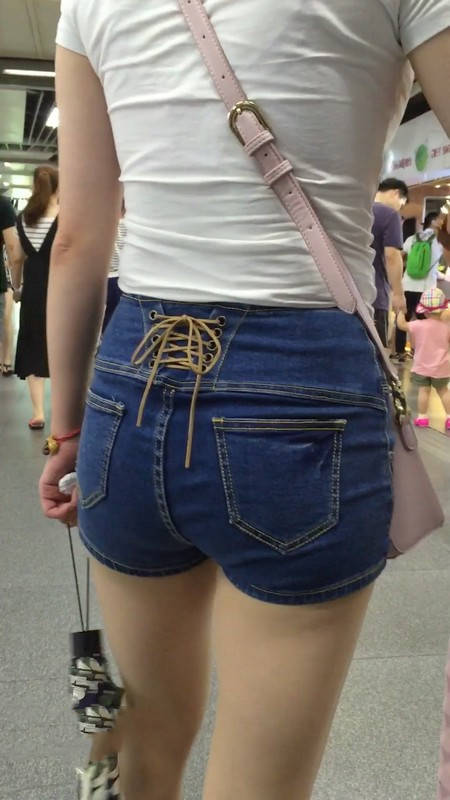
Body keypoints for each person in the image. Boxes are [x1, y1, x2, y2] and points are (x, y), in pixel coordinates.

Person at [40, 3, 450, 799]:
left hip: (132, 380)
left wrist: (66, 429)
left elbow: (80, 238)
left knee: (145, 737)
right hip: (305, 386)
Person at [12, 166, 59, 429]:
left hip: (33, 288)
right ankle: (63, 413)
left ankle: (38, 413)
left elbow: (17, 257)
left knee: (32, 344)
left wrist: (17, 286)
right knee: (61, 346)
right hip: (61, 287)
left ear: (34, 186)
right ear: (58, 187)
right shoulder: (65, 216)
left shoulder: (24, 218)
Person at [396, 288, 450, 430]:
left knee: (424, 391)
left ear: (424, 311)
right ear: (442, 310)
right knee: (443, 391)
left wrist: (401, 311)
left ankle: (422, 418)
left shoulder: (418, 325)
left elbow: (401, 325)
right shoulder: (446, 327)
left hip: (422, 366)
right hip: (442, 366)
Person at [394, 211, 443, 360]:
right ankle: (423, 351)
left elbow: (400, 256)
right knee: (427, 321)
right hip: (427, 288)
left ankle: (400, 351)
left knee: (403, 318)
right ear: (433, 222)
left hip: (408, 284)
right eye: (441, 219)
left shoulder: (412, 238)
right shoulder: (439, 241)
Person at [371, 178, 408, 346]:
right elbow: (392, 256)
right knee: (375, 353)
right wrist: (398, 294)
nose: (399, 208)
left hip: (342, 294)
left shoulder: (356, 209)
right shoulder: (390, 214)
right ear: (396, 193)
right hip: (375, 295)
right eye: (402, 203)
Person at [0, 194, 21, 374]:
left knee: (6, 317)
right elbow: (13, 248)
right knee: (6, 318)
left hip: (5, 277)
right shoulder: (3, 205)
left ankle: (6, 359)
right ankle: (5, 360)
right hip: (5, 275)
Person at [102, 202, 126, 333]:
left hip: (102, 275)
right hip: (119, 275)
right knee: (112, 315)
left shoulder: (103, 223)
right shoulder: (129, 224)